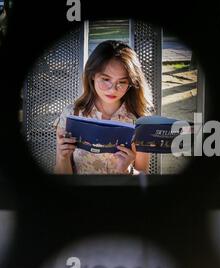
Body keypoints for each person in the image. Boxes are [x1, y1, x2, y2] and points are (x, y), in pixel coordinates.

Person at [53, 40, 155, 175]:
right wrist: (62, 158)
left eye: (122, 82)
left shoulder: (140, 121)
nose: (113, 89)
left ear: (131, 82)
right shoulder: (72, 114)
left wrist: (126, 170)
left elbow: (144, 175)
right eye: (106, 79)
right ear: (93, 76)